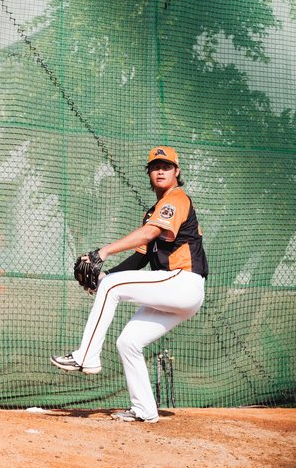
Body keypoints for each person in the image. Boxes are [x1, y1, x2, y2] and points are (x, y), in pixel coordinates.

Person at [51, 146, 208, 423]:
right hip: (173, 291)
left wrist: (103, 253)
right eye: (155, 167)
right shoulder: (153, 211)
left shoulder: (176, 199)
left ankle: (86, 356)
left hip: (183, 281)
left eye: (166, 166)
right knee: (128, 342)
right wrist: (106, 277)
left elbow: (149, 233)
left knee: (112, 287)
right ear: (149, 173)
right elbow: (141, 257)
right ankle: (145, 410)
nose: (160, 171)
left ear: (177, 171)